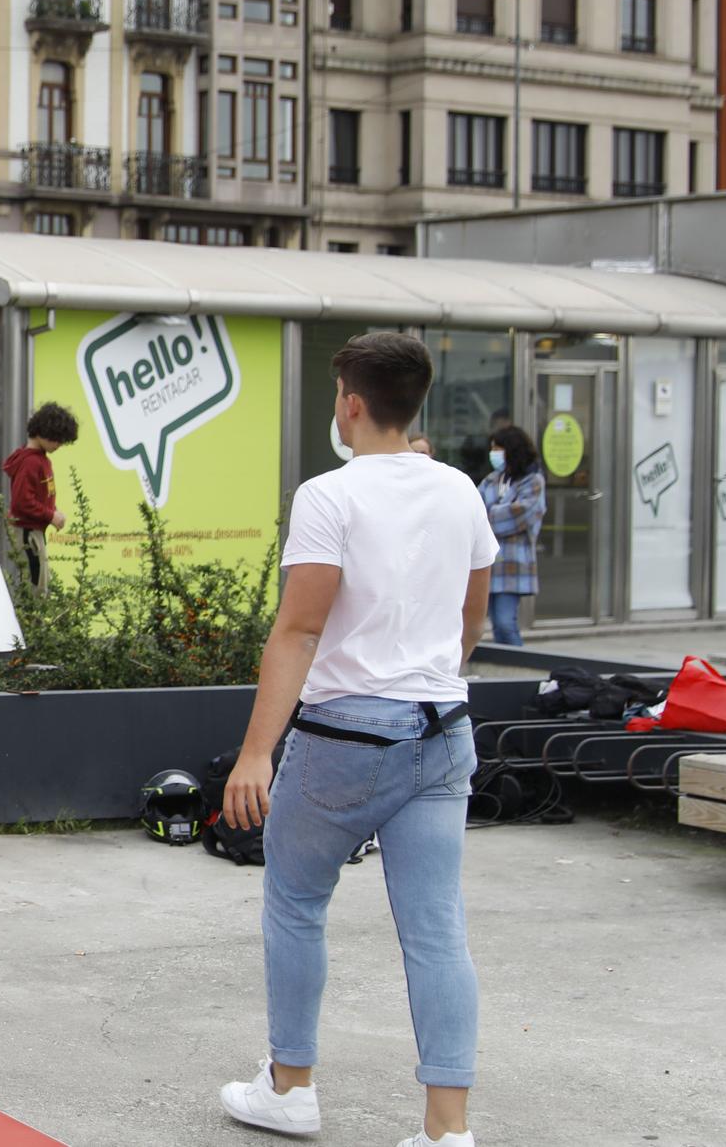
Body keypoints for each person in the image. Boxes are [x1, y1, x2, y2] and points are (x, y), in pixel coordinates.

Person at [218, 332, 497, 1147]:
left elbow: (299, 630)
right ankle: (448, 1132)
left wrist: (254, 752)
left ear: (350, 402)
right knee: (437, 928)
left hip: (346, 735)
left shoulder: (329, 495)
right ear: (415, 400)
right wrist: (435, 671)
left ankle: (291, 1088)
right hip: (443, 731)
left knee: (296, 901)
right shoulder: (460, 492)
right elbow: (470, 618)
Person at [478, 424, 546, 646]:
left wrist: (488, 514)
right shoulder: (492, 479)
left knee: (505, 623)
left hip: (513, 565)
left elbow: (520, 515)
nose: (494, 454)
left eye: (498, 448)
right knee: (493, 625)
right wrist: (493, 512)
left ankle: (519, 663)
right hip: (489, 563)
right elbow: (474, 510)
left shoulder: (533, 480)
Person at [2, 402, 80, 592]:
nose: (59, 445)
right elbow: (22, 503)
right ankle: (28, 622)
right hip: (29, 534)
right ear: (43, 432)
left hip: (35, 533)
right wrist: (50, 515)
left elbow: (36, 496)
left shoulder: (39, 459)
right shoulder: (31, 463)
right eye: (57, 439)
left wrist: (52, 510)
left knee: (39, 584)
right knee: (34, 588)